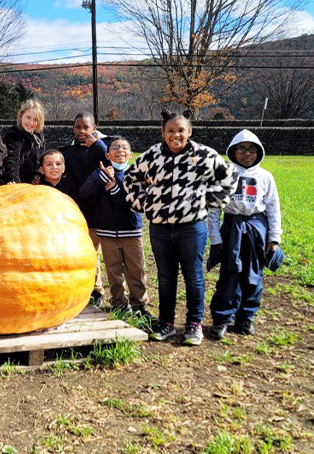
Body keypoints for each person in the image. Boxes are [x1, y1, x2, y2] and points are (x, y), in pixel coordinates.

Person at [123, 110, 235, 346]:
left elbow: (229, 177)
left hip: (191, 228)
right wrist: (144, 203)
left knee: (193, 276)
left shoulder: (204, 155)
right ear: (163, 133)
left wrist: (207, 198)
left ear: (189, 132)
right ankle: (166, 322)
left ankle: (194, 324)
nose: (176, 135)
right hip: (160, 229)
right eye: (171, 131)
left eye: (181, 130)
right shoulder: (152, 156)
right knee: (165, 277)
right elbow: (131, 179)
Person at [207, 129, 283, 339]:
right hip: (232, 226)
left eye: (251, 149)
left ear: (259, 152)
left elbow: (273, 207)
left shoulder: (265, 177)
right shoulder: (224, 175)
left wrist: (274, 238)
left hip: (256, 227)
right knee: (230, 275)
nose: (247, 154)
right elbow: (213, 209)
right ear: (233, 151)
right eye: (242, 149)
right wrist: (216, 238)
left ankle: (245, 318)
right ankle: (222, 318)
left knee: (253, 275)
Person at [80, 137, 151, 320]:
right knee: (113, 271)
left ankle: (139, 305)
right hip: (107, 232)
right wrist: (101, 178)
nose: (120, 150)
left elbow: (138, 202)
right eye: (115, 147)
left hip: (131, 231)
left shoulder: (136, 175)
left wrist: (115, 189)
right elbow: (84, 193)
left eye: (124, 147)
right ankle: (119, 303)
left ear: (130, 153)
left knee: (136, 270)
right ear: (107, 154)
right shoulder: (100, 173)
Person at [60, 112, 108, 306]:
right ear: (73, 128)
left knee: (101, 253)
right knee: (86, 253)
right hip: (78, 209)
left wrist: (97, 145)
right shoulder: (67, 153)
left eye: (86, 127)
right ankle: (88, 289)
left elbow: (113, 162)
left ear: (94, 129)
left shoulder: (102, 149)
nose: (82, 131)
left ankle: (100, 291)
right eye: (78, 127)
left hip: (100, 210)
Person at [0, 99, 46, 185]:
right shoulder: (14, 135)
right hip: (17, 182)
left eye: (35, 120)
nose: (31, 122)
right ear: (21, 116)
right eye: (28, 117)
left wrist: (37, 175)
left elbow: (41, 159)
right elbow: (12, 160)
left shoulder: (38, 136)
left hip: (32, 184)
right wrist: (14, 180)